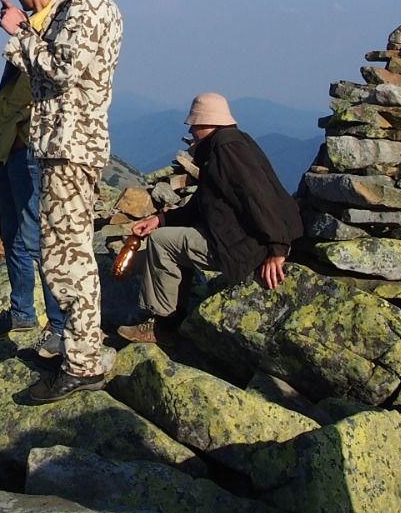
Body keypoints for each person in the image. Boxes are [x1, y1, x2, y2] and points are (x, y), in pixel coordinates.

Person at [0, 0, 123, 401]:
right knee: (63, 253)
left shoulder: (89, 6)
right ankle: (78, 351)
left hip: (71, 146)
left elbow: (63, 70)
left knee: (68, 257)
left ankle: (82, 363)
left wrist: (20, 34)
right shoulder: (84, 5)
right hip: (66, 144)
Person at [117, 93, 303, 343]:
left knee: (162, 242)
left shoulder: (227, 149)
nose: (191, 129)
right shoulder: (231, 143)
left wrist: (277, 248)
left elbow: (258, 198)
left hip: (241, 245)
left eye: (194, 124)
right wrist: (160, 219)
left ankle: (161, 324)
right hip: (242, 237)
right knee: (168, 236)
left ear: (207, 122)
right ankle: (173, 316)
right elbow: (205, 202)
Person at [0, 0, 67, 338]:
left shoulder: (55, 24)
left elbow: (51, 76)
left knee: (38, 237)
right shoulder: (36, 24)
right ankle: (22, 311)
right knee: (15, 232)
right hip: (9, 144)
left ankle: (59, 325)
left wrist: (20, 32)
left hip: (31, 146)